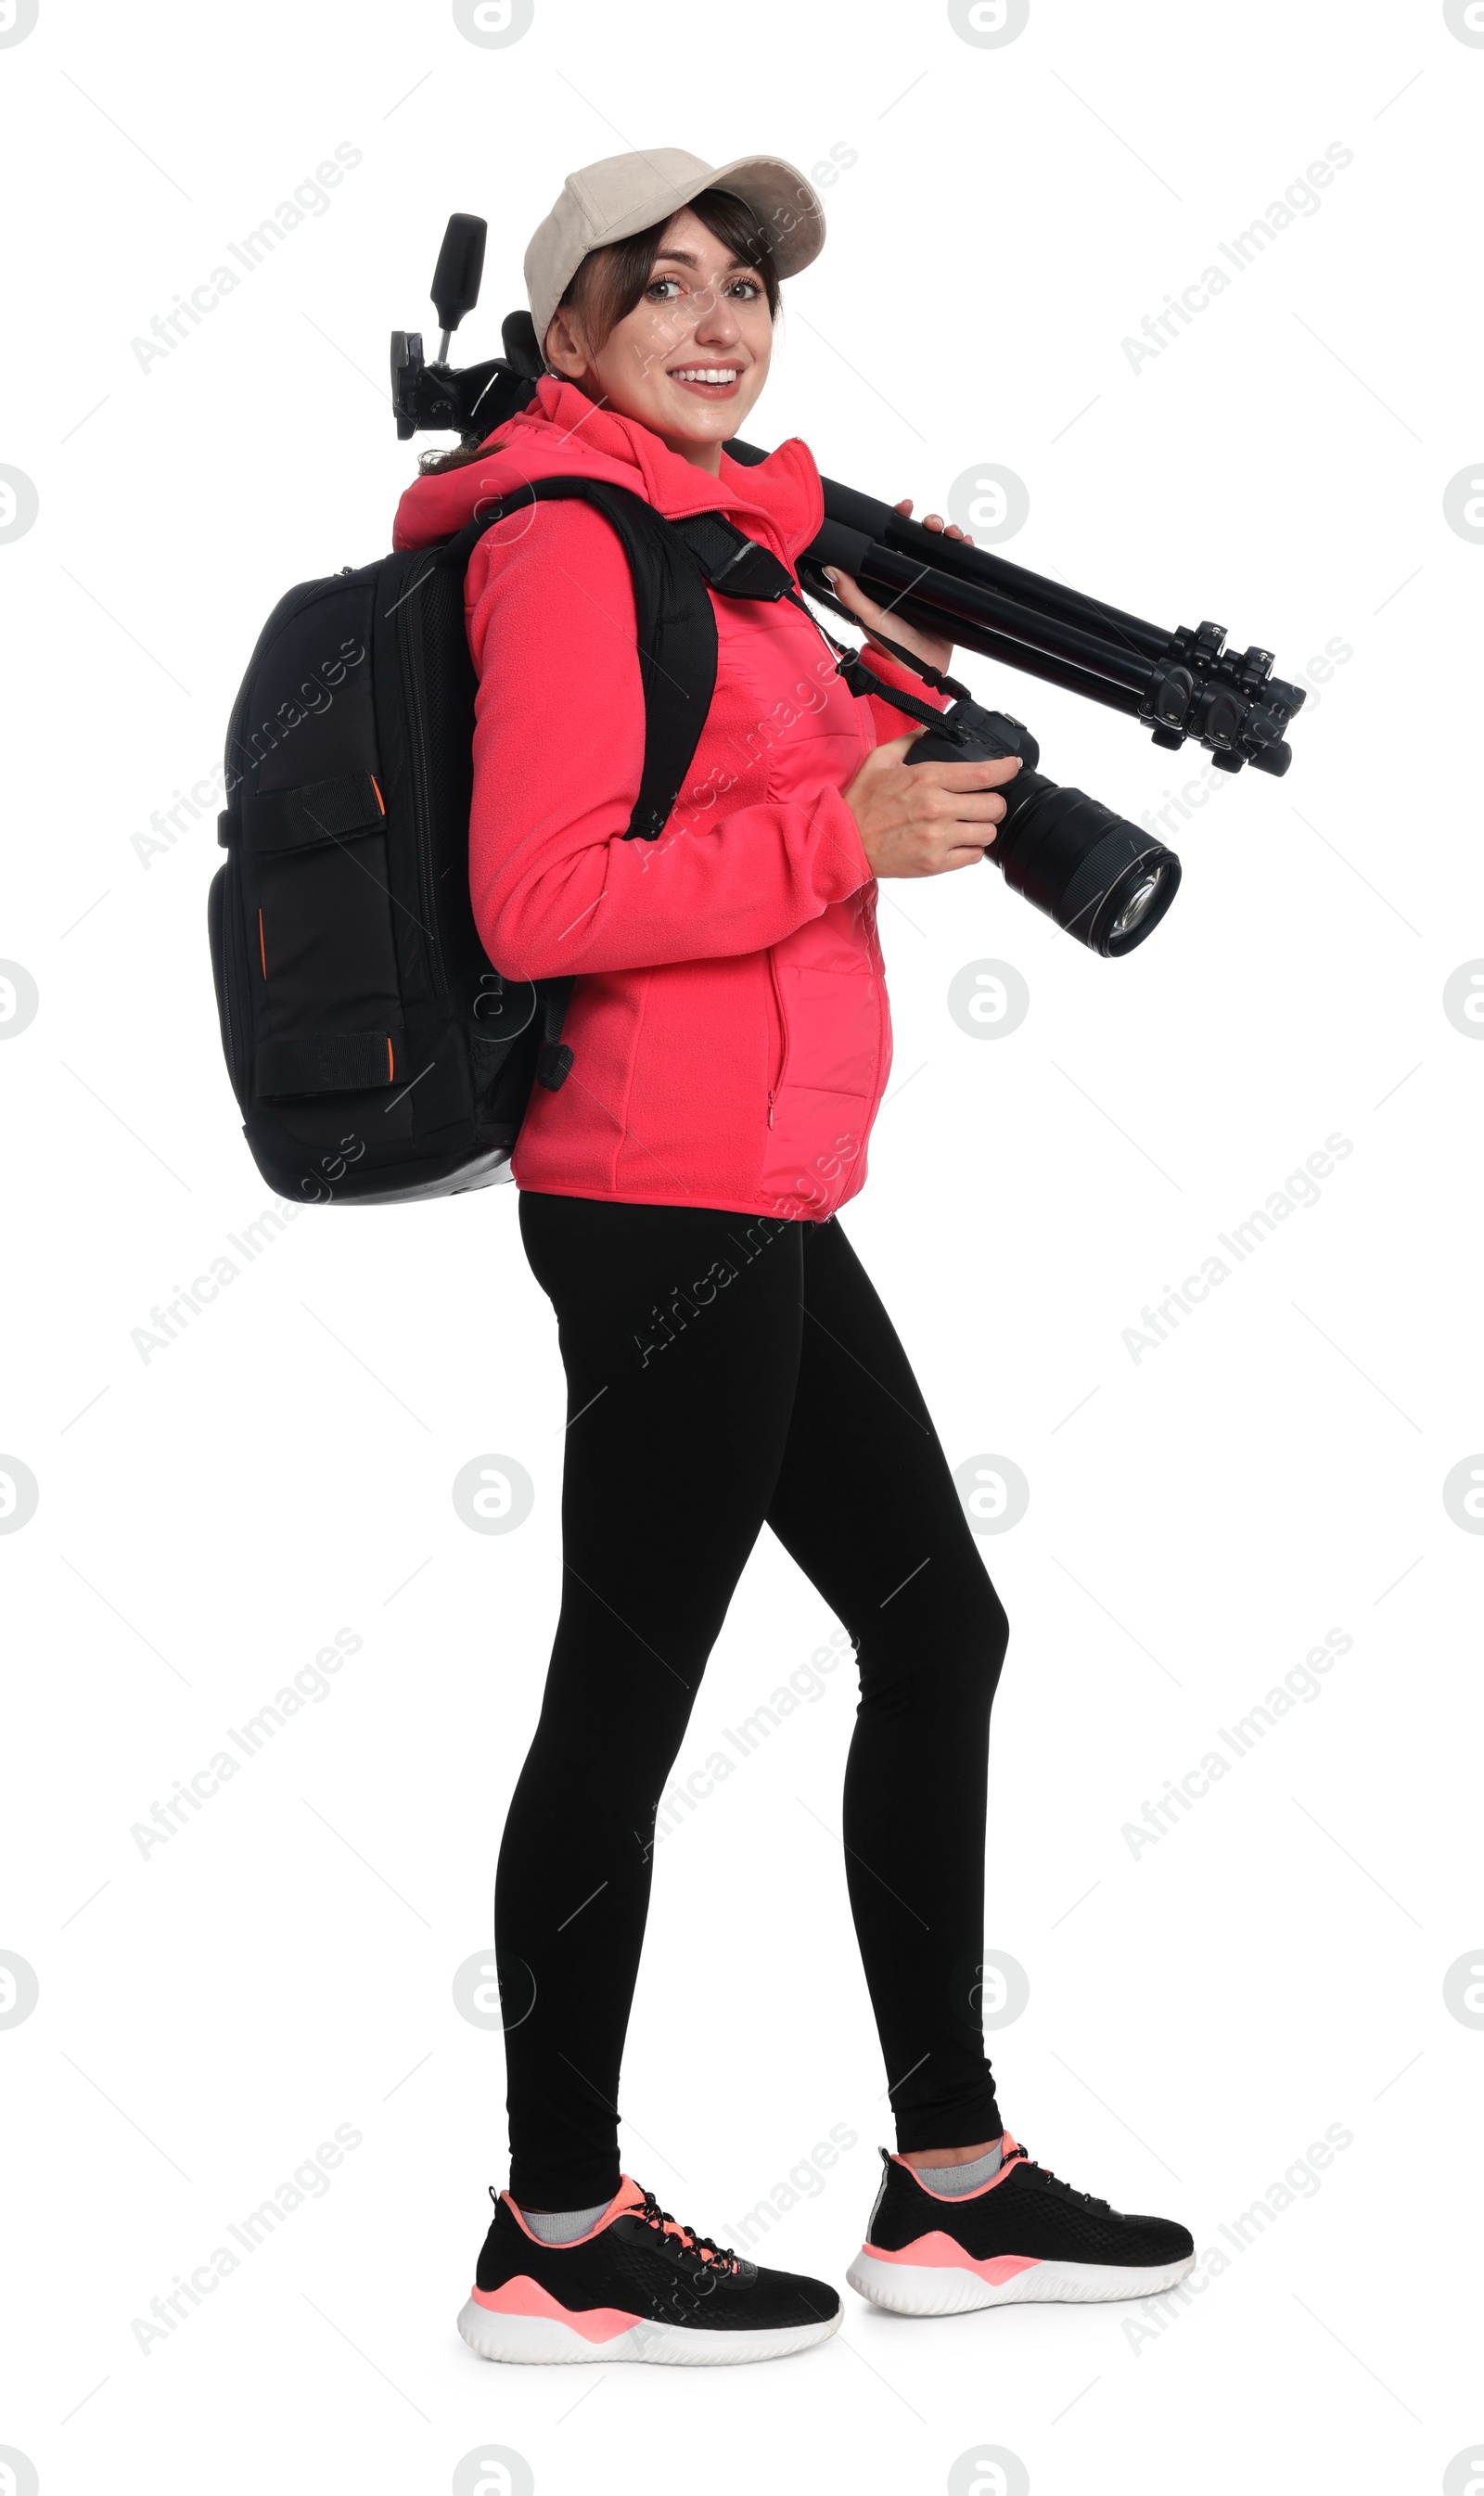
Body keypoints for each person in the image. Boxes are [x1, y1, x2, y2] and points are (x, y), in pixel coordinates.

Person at [391, 147, 1195, 2367]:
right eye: (665, 288)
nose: (722, 317)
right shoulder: (560, 547)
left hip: (763, 1176)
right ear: (571, 333)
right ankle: (554, 2226)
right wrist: (836, 828)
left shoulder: (719, 551)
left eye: (745, 285)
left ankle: (947, 2180)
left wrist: (888, 715)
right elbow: (543, 899)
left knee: (938, 1626)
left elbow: (735, 804)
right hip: (651, 1182)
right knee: (622, 1698)